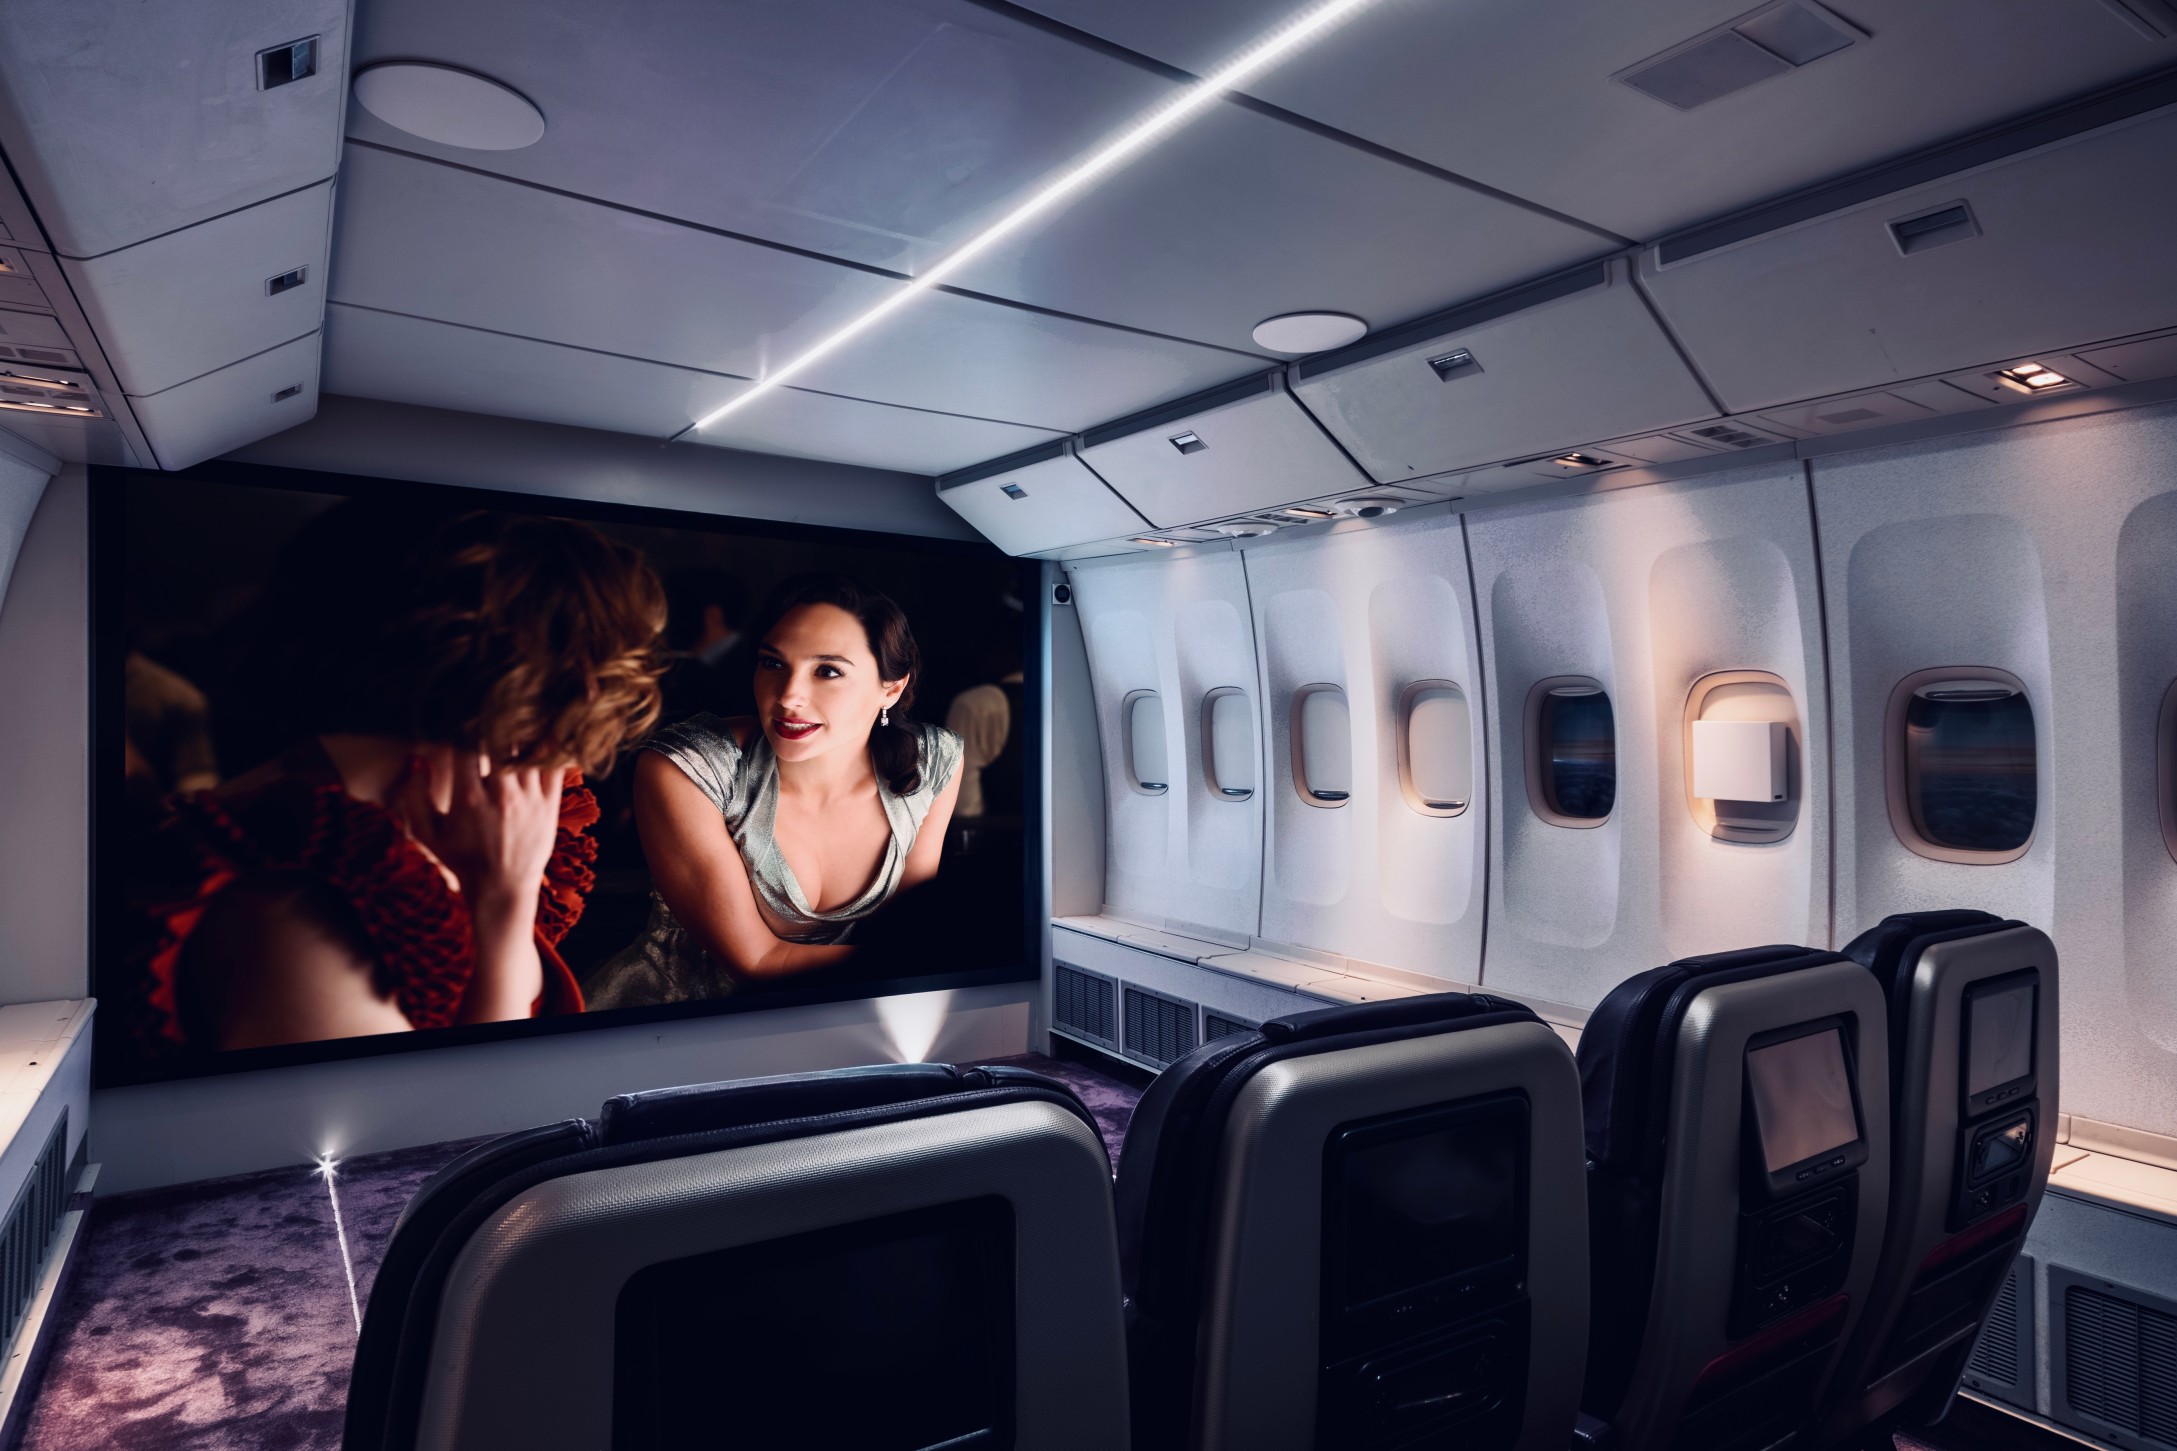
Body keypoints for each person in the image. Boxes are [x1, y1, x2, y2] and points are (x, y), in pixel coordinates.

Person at [118, 506, 666, 1065]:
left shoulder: (393, 819)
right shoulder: (288, 908)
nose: (600, 699)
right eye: (590, 668)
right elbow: (445, 1137)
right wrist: (504, 905)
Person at [586, 572, 962, 1008]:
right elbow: (758, 961)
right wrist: (934, 962)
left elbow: (910, 932)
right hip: (670, 1027)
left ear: (892, 688)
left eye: (827, 671)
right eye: (773, 663)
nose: (788, 696)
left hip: (842, 1021)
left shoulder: (934, 761)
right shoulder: (687, 766)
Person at [656, 566, 754, 723]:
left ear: (712, 615)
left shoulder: (747, 672)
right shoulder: (680, 665)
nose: (662, 621)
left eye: (673, 609)